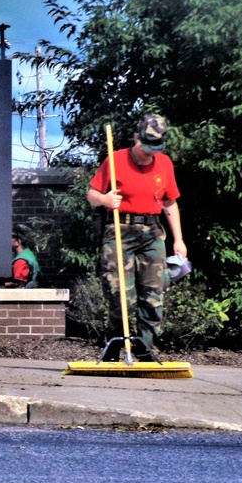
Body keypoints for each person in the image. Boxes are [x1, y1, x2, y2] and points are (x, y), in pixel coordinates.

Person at [87, 113, 186, 361]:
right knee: (119, 294)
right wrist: (106, 200)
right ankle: (114, 344)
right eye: (146, 146)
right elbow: (91, 193)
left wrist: (178, 239)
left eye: (155, 148)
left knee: (154, 295)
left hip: (152, 234)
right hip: (120, 230)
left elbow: (170, 202)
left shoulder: (164, 163)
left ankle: (145, 349)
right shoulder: (115, 159)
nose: (149, 153)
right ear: (135, 138)